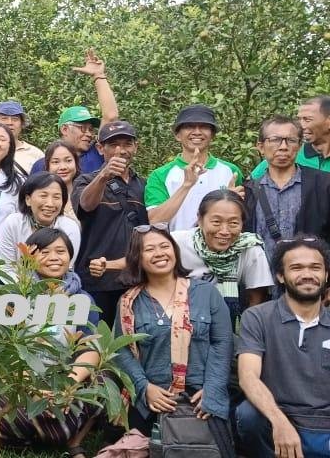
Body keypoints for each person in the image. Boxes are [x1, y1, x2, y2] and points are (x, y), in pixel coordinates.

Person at [113, 225, 232, 437]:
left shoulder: (206, 293)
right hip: (152, 398)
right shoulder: (128, 302)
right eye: (149, 249)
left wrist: (212, 390)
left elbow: (222, 343)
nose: (159, 253)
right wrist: (144, 388)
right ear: (137, 258)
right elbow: (121, 351)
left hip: (199, 396)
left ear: (175, 251)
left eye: (164, 246)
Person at [0, 228, 101, 458]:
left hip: (64, 379)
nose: (54, 257)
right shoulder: (16, 298)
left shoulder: (81, 300)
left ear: (70, 256)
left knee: (105, 377)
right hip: (24, 380)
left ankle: (68, 437)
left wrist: (66, 387)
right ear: (29, 258)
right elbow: (5, 353)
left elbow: (90, 348)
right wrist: (34, 390)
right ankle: (27, 432)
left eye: (60, 251)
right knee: (18, 415)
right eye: (44, 252)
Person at [235, 236, 330, 458]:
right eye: (296, 267)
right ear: (280, 276)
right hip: (277, 424)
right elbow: (248, 377)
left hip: (324, 424)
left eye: (315, 267)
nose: (307, 274)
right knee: (247, 415)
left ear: (326, 275)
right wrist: (280, 422)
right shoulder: (258, 317)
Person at [73, 121, 148, 326]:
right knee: (95, 339)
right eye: (113, 145)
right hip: (97, 279)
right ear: (100, 148)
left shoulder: (143, 185)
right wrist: (104, 176)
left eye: (126, 144)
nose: (120, 150)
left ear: (135, 147)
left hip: (136, 279)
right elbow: (86, 205)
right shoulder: (85, 181)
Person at [171, 190, 272, 324]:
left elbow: (256, 300)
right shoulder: (176, 243)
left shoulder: (250, 247)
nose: (224, 231)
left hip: (226, 322)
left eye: (233, 223)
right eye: (216, 222)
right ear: (200, 219)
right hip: (178, 318)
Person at [243, 115, 330, 264]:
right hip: (259, 284)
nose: (283, 147)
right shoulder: (248, 192)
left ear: (299, 146)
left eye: (291, 140)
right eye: (275, 140)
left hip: (310, 281)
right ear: (261, 147)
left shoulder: (324, 184)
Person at [146, 105, 243, 231]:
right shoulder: (160, 175)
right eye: (189, 126)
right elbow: (156, 221)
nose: (197, 132)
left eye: (204, 127)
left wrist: (231, 200)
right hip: (178, 248)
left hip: (223, 247)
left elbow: (241, 218)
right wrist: (187, 185)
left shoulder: (231, 171)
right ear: (177, 135)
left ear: (212, 135)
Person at [29, 49, 120, 175]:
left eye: (91, 129)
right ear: (65, 129)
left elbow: (111, 116)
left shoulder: (97, 154)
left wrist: (98, 76)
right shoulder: (42, 165)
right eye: (83, 128)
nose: (89, 134)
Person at [0, 172, 81, 270]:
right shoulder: (13, 223)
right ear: (28, 199)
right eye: (43, 196)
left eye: (56, 197)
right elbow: (6, 267)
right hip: (17, 283)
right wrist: (24, 285)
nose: (50, 203)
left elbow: (66, 268)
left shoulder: (69, 227)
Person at [250, 95, 330, 175]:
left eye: (307, 120)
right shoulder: (290, 155)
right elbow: (251, 183)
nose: (301, 126)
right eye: (299, 119)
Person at [41, 141, 81, 221]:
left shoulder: (86, 192)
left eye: (68, 160)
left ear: (76, 163)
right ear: (47, 166)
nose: (63, 167)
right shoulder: (40, 196)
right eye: (56, 162)